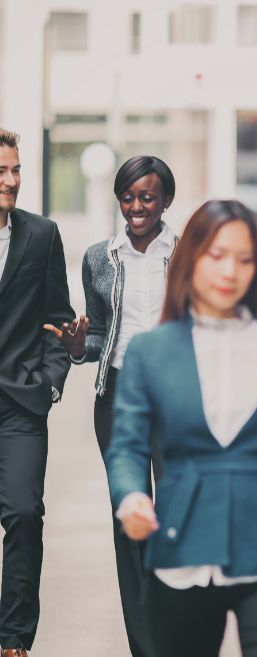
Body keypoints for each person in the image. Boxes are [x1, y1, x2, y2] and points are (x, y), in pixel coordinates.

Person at [105, 199, 257, 657]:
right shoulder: (150, 352)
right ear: (191, 258)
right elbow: (128, 447)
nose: (230, 271)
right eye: (216, 255)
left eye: (245, 258)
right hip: (182, 547)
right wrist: (132, 496)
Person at [48, 155, 177, 657]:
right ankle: (145, 647)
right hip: (119, 398)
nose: (136, 207)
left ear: (166, 199)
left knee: (175, 516)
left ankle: (177, 634)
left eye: (147, 196)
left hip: (175, 398)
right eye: (128, 197)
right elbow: (98, 335)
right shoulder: (100, 257)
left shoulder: (187, 252)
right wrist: (79, 347)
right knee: (132, 522)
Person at [0, 128, 74, 657]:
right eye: (2, 172)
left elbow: (58, 317)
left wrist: (49, 382)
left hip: (20, 401)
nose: (11, 181)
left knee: (25, 513)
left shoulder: (42, 235)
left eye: (17, 170)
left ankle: (13, 642)